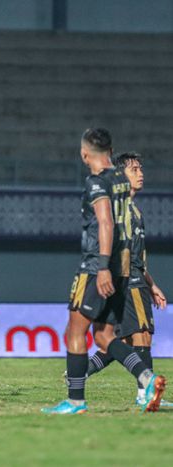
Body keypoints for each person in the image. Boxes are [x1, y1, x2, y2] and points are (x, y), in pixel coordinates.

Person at [42, 129, 165, 415]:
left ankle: (75, 401)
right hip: (122, 270)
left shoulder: (97, 182)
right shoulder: (122, 182)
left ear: (85, 154)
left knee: (75, 330)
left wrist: (102, 267)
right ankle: (146, 379)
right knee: (104, 336)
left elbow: (106, 223)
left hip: (97, 265)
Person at [84, 152, 170, 406]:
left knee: (125, 339)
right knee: (141, 335)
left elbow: (138, 258)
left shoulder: (135, 211)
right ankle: (145, 393)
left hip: (134, 278)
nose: (140, 173)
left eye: (141, 169)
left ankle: (80, 373)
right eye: (134, 170)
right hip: (127, 280)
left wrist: (153, 285)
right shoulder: (116, 208)